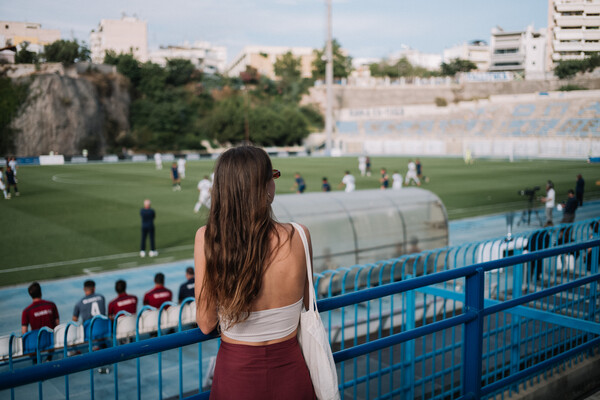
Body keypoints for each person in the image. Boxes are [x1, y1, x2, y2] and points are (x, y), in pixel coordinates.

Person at [194, 146, 316, 399]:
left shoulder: (208, 238)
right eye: (272, 175)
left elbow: (206, 323)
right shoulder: (300, 235)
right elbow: (306, 306)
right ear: (263, 186)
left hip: (236, 375)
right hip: (292, 371)